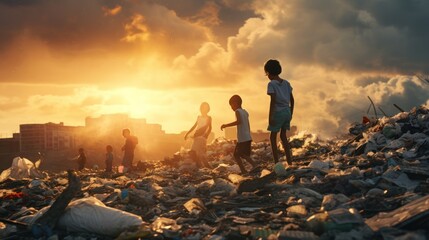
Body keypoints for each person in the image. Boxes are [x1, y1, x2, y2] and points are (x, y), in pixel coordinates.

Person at [264, 59, 294, 164]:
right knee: (283, 136)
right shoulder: (287, 83)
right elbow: (292, 99)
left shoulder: (271, 84)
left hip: (278, 112)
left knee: (272, 137)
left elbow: (273, 101)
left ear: (268, 72)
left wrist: (270, 117)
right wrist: (291, 113)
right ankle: (290, 162)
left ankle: (276, 163)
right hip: (287, 111)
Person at [221, 95, 257, 174]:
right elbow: (246, 123)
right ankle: (249, 168)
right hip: (247, 137)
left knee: (238, 154)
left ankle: (252, 166)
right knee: (241, 155)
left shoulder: (238, 111)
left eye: (231, 105)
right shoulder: (245, 111)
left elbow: (239, 121)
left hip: (242, 138)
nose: (231, 108)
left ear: (236, 103)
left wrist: (226, 125)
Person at [184, 102, 212, 168]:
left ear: (207, 109)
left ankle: (205, 168)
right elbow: (194, 126)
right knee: (198, 155)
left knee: (197, 153)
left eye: (205, 108)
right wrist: (187, 133)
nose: (203, 109)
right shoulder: (199, 117)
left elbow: (209, 127)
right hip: (197, 137)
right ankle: (203, 167)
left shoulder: (209, 117)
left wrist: (206, 135)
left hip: (202, 137)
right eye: (202, 108)